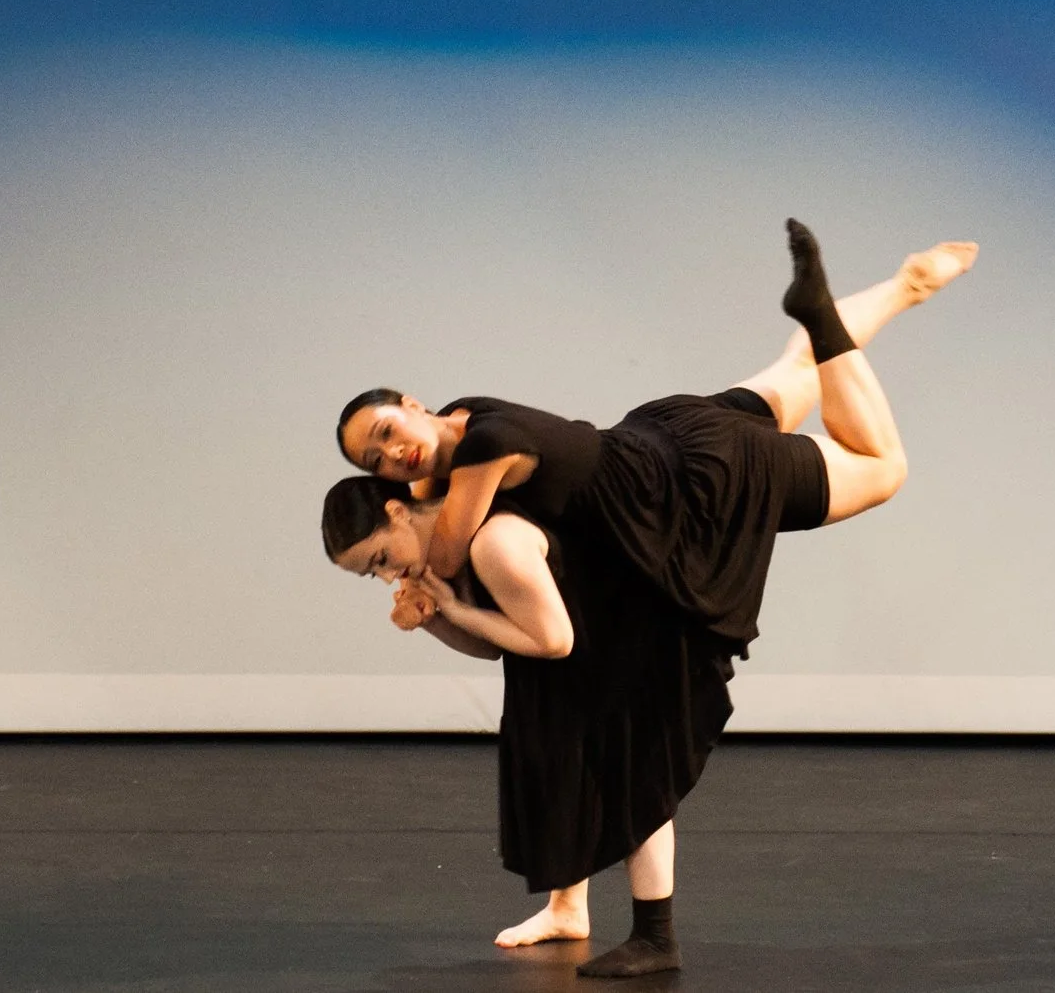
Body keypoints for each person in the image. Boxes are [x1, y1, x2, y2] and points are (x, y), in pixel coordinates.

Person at [325, 222, 975, 977]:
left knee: (882, 466)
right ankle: (903, 287)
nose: (392, 455)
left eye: (386, 432)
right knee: (794, 369)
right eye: (375, 459)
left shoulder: (475, 455)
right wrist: (419, 568)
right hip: (664, 435)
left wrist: (426, 591)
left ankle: (824, 316)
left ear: (409, 402)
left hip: (694, 495)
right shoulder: (455, 430)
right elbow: (445, 543)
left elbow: (446, 552)